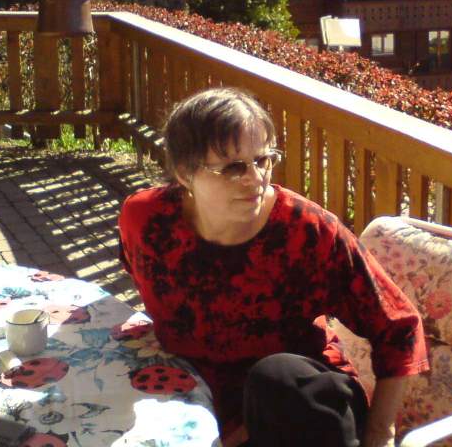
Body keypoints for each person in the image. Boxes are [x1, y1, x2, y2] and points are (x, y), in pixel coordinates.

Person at [119, 87, 428, 447]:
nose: (255, 178)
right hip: (196, 401)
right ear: (185, 174)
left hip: (302, 411)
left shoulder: (306, 232)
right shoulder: (146, 220)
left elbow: (398, 327)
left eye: (263, 160)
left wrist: (380, 433)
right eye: (233, 167)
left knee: (278, 375)